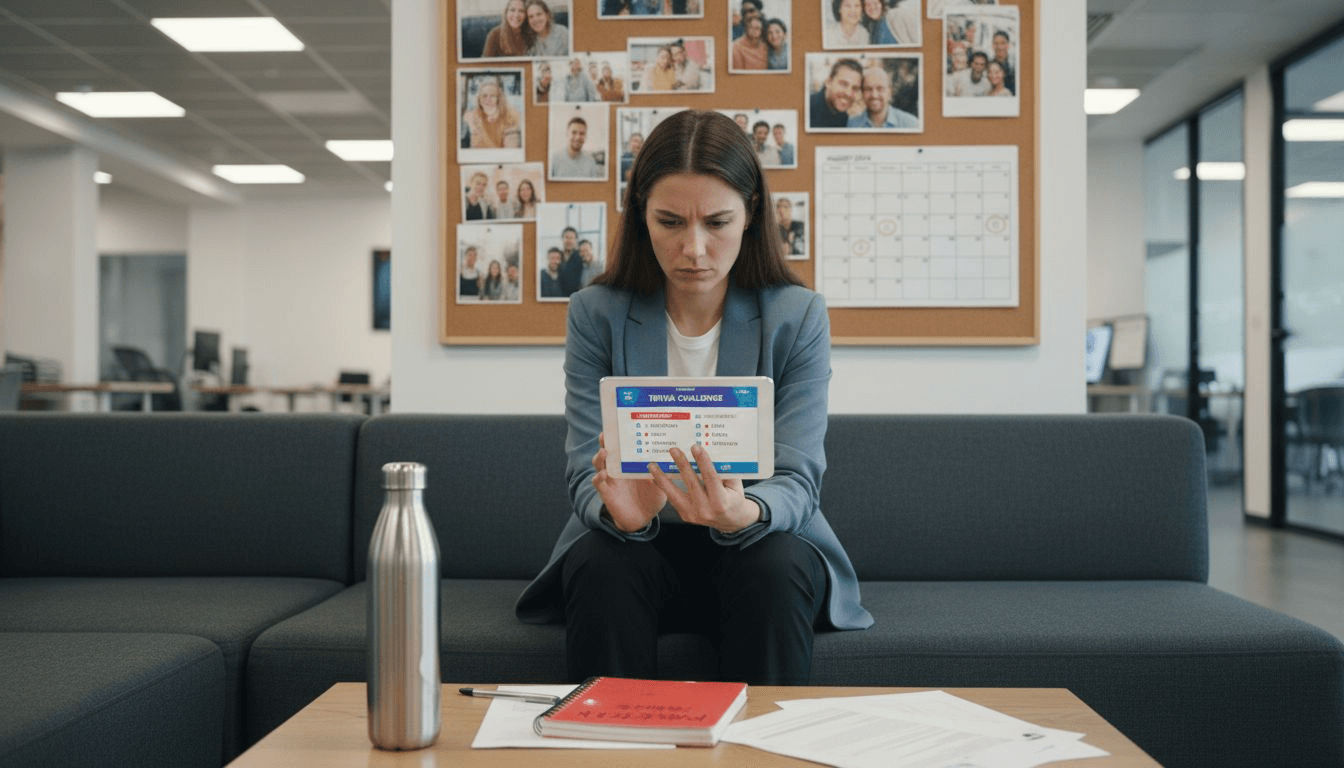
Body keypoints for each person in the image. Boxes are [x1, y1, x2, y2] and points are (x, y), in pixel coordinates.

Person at [515, 110, 873, 685]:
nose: (695, 249)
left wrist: (745, 512)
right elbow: (587, 468)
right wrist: (619, 514)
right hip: (639, 547)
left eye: (717, 222)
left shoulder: (797, 315)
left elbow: (798, 478)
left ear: (752, 213)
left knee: (775, 565)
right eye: (670, 222)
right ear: (640, 218)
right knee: (602, 561)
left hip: (753, 543)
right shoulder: (595, 314)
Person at [847, 65, 919, 129]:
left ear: (889, 92)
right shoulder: (851, 125)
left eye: (880, 88)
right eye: (868, 89)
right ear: (862, 93)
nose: (874, 95)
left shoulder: (911, 124)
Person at [462, 76, 521, 149]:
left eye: (492, 96)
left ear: (499, 99)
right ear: (479, 99)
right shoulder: (471, 116)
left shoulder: (510, 117)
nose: (488, 99)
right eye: (484, 96)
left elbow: (511, 149)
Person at [808, 58, 861, 128]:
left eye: (855, 88)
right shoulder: (808, 109)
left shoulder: (844, 117)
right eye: (843, 84)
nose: (849, 93)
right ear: (828, 82)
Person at [557, 226, 584, 296]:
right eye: (566, 237)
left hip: (575, 296)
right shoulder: (558, 255)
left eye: (571, 238)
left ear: (576, 240)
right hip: (558, 295)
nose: (569, 241)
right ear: (562, 239)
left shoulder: (581, 256)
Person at [991, 30, 1016, 95]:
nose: (999, 47)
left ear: (1008, 45)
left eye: (1003, 43)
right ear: (993, 45)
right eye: (996, 43)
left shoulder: (1014, 65)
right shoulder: (989, 65)